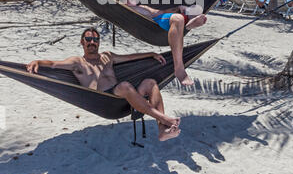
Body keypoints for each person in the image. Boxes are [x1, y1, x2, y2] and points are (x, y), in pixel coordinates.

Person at [26, 28, 181, 142]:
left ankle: (162, 129)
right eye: (88, 39)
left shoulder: (108, 56)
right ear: (82, 42)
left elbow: (130, 57)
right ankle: (166, 119)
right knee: (125, 86)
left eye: (95, 40)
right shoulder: (77, 62)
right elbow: (54, 64)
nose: (92, 42)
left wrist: (151, 54)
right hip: (104, 102)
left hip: (124, 99)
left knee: (150, 83)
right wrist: (38, 62)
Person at [127, 0, 207, 87]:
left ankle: (188, 24)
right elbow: (155, 15)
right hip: (161, 21)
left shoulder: (143, 4)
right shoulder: (125, 6)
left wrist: (179, 7)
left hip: (168, 16)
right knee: (178, 19)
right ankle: (179, 68)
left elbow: (161, 11)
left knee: (196, 8)